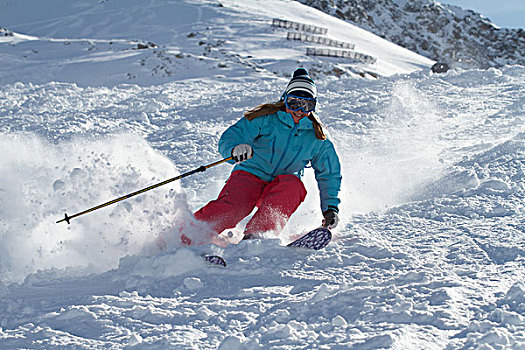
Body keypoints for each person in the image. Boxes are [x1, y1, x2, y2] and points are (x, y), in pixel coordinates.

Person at [192, 68, 341, 243]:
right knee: (234, 209)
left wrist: (331, 208)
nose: (299, 110)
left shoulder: (318, 136)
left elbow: (329, 173)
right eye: (294, 103)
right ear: (284, 100)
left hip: (282, 184)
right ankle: (189, 234)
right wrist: (235, 149)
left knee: (294, 186)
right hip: (249, 175)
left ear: (313, 107)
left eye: (307, 105)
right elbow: (231, 136)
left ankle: (257, 236)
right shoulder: (266, 118)